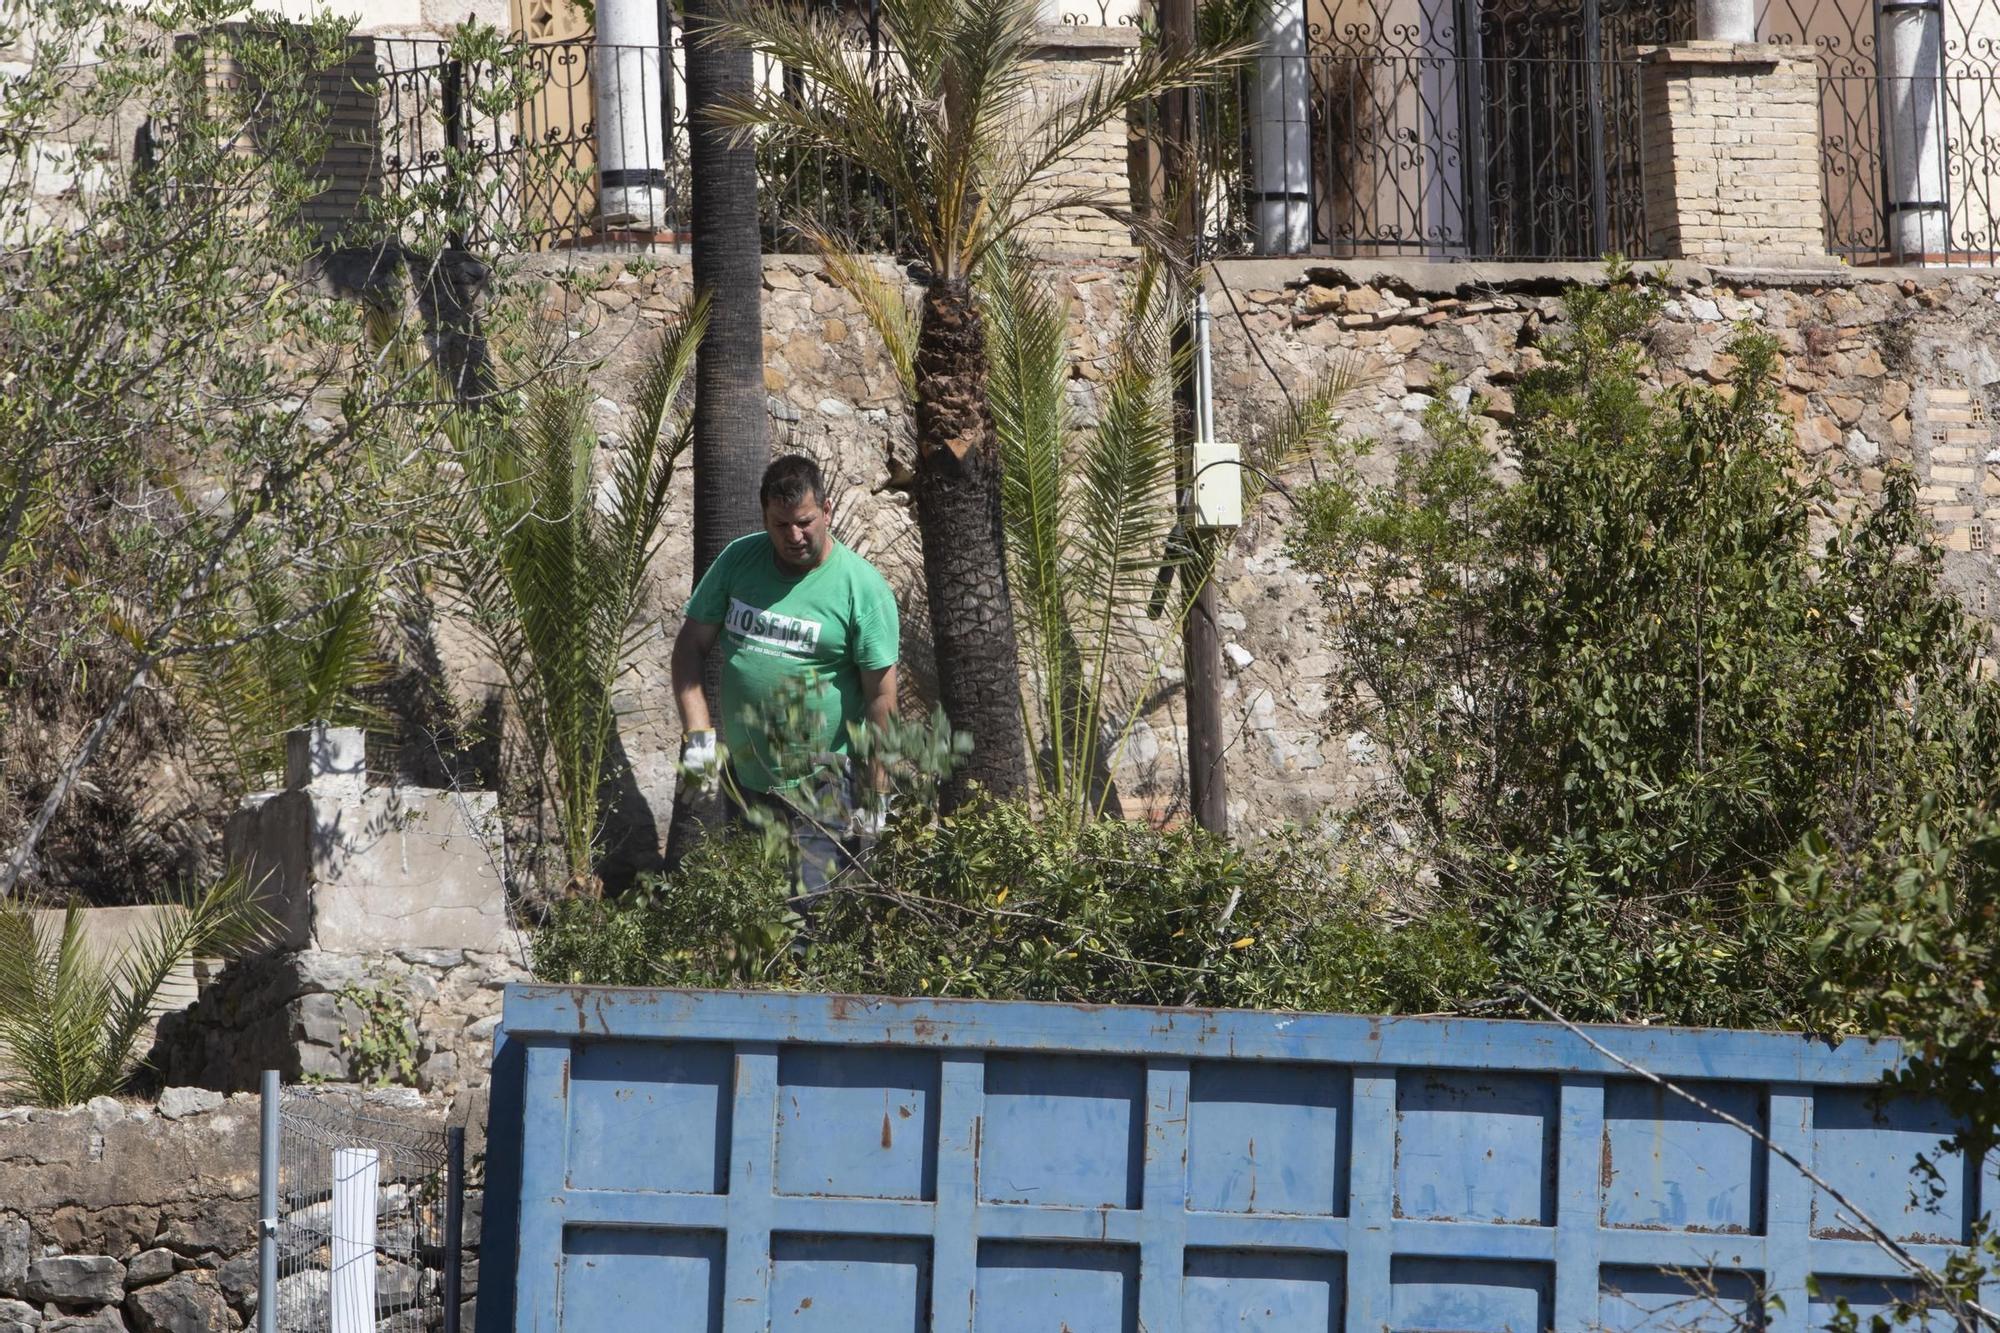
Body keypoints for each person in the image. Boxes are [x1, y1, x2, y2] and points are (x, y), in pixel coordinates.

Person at [670, 454, 900, 899]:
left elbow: (881, 699)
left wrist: (877, 794)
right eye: (780, 525)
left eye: (805, 522)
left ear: (827, 511)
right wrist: (698, 737)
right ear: (764, 516)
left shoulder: (862, 588)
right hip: (747, 777)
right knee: (755, 909)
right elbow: (690, 647)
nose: (794, 536)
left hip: (825, 783)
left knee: (810, 918)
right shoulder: (739, 560)